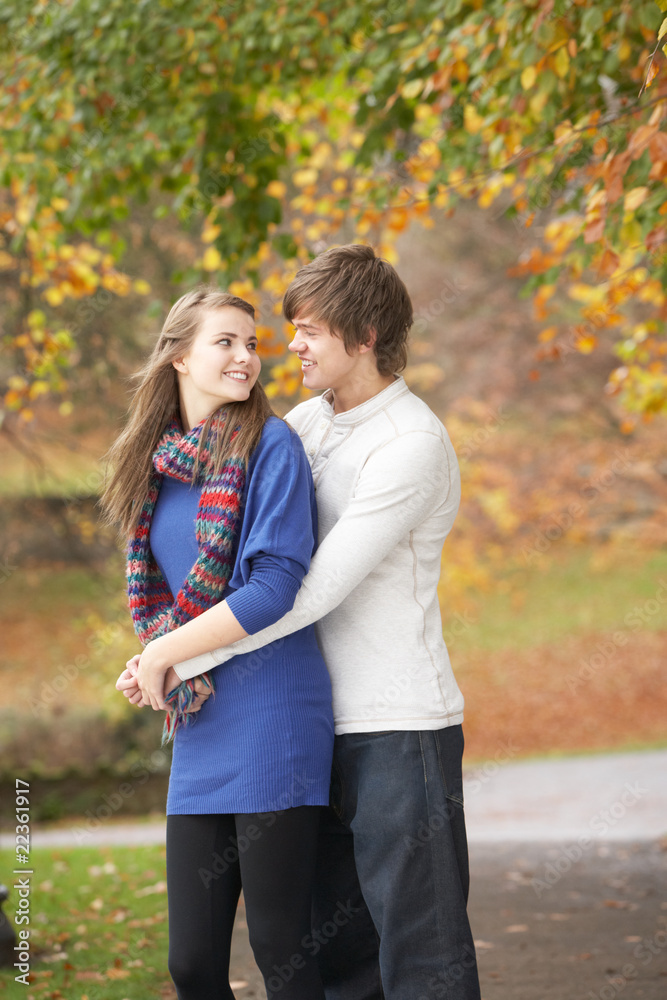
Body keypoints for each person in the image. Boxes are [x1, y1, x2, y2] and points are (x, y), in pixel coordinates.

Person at [121, 246, 481, 999]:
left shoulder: (409, 443)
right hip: (317, 718)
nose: (288, 347)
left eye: (309, 330)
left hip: (395, 720)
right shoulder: (308, 424)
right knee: (341, 954)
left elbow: (300, 590)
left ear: (365, 337)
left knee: (421, 952)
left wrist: (173, 655)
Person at [103, 286, 333, 1000]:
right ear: (178, 356)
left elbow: (272, 585)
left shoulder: (271, 446)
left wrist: (165, 655)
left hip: (275, 715)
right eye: (224, 342)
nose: (244, 357)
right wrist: (153, 658)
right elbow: (170, 608)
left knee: (281, 947)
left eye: (251, 343)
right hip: (201, 723)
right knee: (193, 963)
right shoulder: (155, 465)